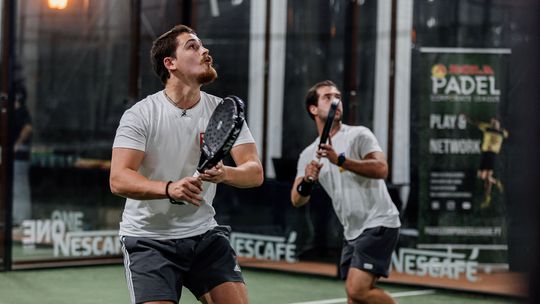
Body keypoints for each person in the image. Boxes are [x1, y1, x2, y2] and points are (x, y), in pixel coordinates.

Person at [110, 24, 263, 304]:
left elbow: (254, 172)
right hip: (148, 239)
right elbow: (119, 179)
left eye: (203, 45)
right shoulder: (141, 115)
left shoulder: (222, 111)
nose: (205, 51)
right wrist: (169, 189)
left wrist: (225, 173)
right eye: (192, 46)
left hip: (204, 235)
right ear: (170, 63)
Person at [290, 80, 400, 304]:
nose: (335, 101)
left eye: (337, 97)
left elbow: (381, 169)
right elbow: (297, 199)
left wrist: (339, 159)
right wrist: (309, 181)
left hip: (379, 221)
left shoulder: (359, 135)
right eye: (327, 97)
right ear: (313, 109)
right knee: (354, 298)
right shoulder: (308, 154)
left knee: (357, 289)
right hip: (352, 231)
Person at [464, 115, 509, 208]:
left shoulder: (502, 132)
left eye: (495, 122)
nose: (493, 123)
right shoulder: (486, 127)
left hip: (492, 155)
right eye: (492, 122)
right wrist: (467, 118)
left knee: (487, 178)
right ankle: (496, 182)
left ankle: (487, 198)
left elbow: (506, 135)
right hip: (485, 154)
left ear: (498, 123)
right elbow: (476, 122)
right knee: (481, 176)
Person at [12, 87, 33, 225]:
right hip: (14, 157)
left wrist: (17, 144)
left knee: (20, 188)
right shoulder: (13, 113)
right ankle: (15, 217)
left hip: (20, 157)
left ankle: (22, 219)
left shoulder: (22, 112)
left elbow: (28, 128)